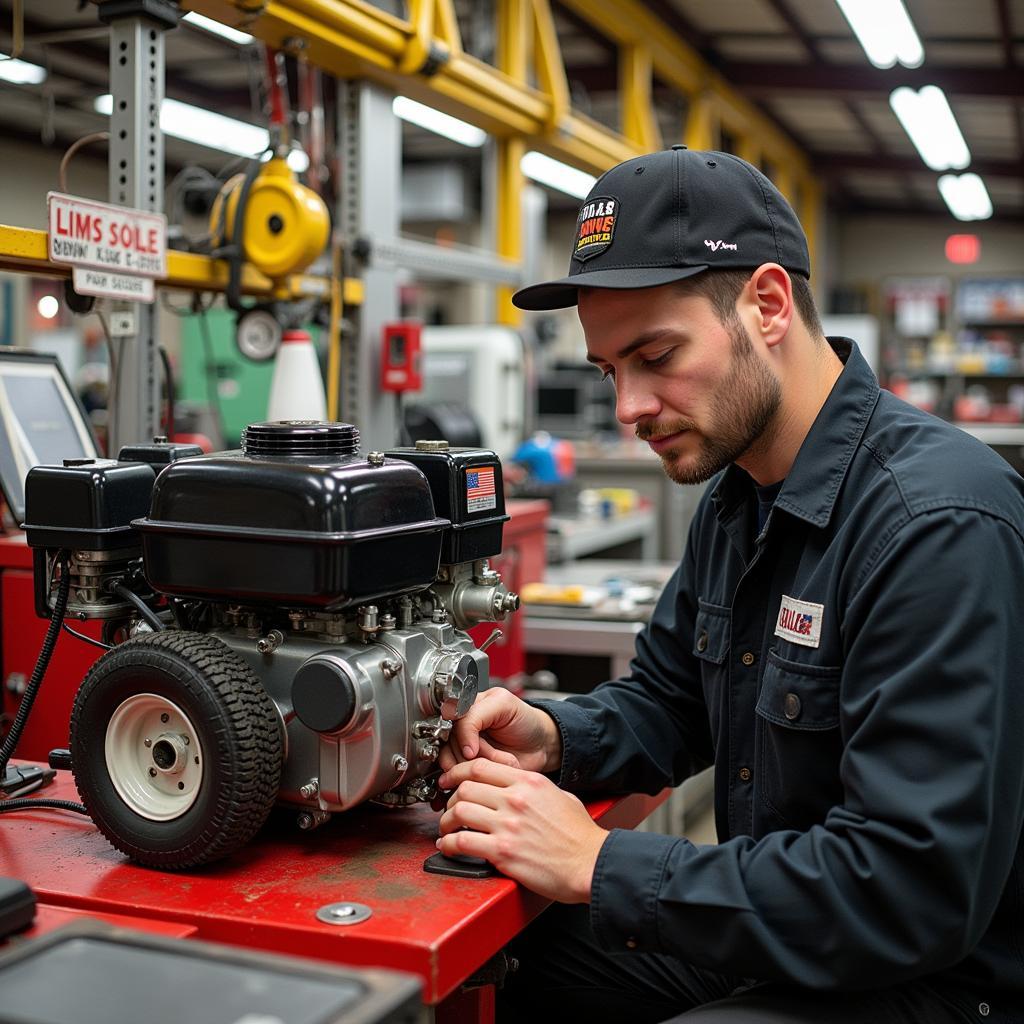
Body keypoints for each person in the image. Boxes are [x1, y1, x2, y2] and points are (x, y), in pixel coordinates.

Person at [434, 145, 1024, 1023]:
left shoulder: (934, 524)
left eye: (656, 354)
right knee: (509, 948)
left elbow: (907, 891)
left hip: (934, 976)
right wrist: (554, 734)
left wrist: (599, 863)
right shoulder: (738, 497)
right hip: (793, 929)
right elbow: (673, 705)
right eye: (609, 372)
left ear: (769, 304)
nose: (629, 406)